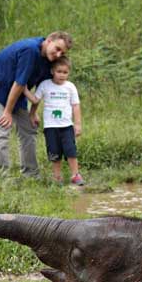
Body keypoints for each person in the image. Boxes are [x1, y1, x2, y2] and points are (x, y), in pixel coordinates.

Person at [0, 32, 72, 177]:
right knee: (2, 127)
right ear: (49, 40)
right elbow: (19, 83)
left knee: (29, 127)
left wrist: (32, 113)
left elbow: (40, 89)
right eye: (57, 48)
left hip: (15, 88)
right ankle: (1, 177)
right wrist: (8, 112)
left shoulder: (49, 60)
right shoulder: (30, 50)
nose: (58, 55)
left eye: (62, 52)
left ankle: (31, 174)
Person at [28, 56, 84, 185]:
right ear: (52, 71)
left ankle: (75, 175)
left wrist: (78, 124)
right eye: (59, 71)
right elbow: (36, 101)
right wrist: (24, 89)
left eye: (65, 72)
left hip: (67, 126)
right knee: (54, 152)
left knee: (71, 150)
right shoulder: (45, 85)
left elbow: (76, 105)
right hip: (50, 127)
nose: (62, 75)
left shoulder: (70, 87)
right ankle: (57, 177)